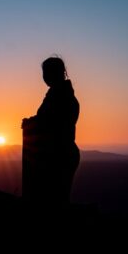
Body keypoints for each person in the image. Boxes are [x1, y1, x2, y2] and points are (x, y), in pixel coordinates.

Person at [22, 56, 79, 209]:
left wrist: (31, 123)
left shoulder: (60, 97)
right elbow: (45, 119)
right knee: (55, 201)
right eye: (44, 73)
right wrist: (31, 122)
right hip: (60, 155)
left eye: (47, 73)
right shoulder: (60, 96)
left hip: (59, 156)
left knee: (52, 204)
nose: (45, 77)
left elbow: (50, 122)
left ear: (59, 73)